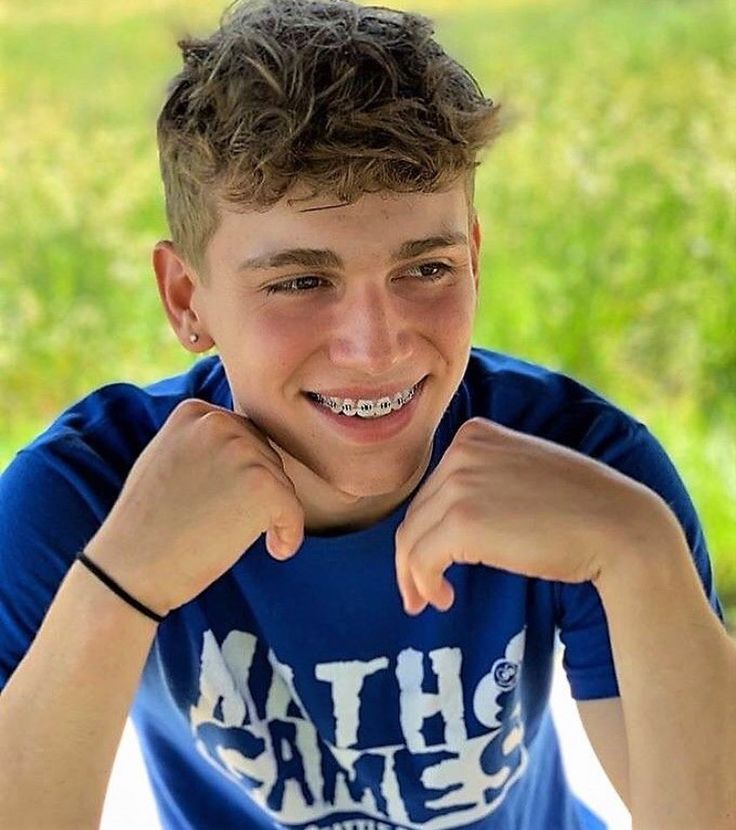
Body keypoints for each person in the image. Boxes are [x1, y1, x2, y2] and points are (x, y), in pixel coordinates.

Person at [0, 0, 733, 828]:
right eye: (300, 282)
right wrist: (118, 586)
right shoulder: (85, 495)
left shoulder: (588, 469)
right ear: (185, 298)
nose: (376, 347)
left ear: (476, 258)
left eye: (425, 268)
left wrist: (641, 556)